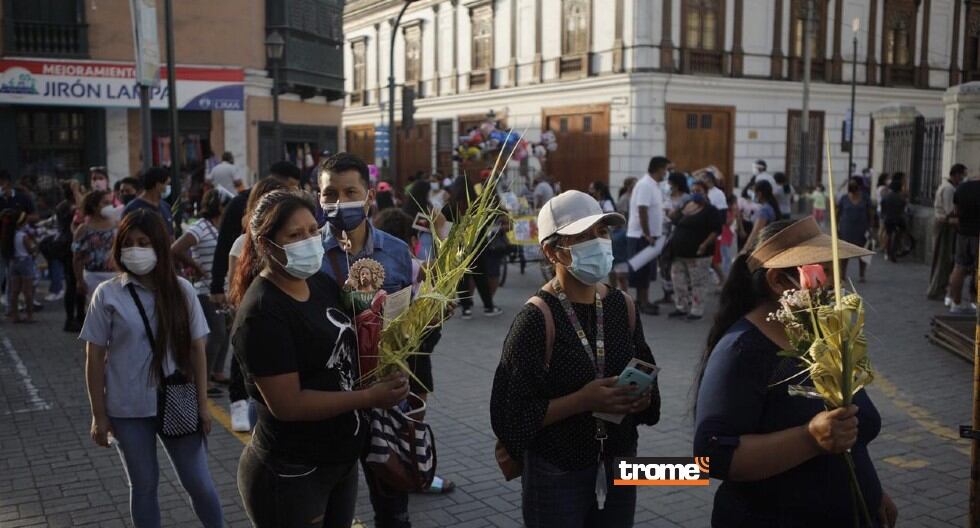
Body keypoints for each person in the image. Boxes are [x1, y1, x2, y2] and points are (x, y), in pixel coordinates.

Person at [694, 216, 896, 527]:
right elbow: (712, 456)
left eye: (838, 272)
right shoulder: (742, 350)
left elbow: (850, 434)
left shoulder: (821, 336)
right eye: (824, 272)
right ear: (778, 282)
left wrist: (872, 491)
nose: (837, 285)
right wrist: (810, 438)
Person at [229, 190, 408, 527]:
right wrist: (369, 397)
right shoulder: (262, 314)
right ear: (267, 245)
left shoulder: (319, 281)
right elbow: (289, 404)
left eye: (313, 230)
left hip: (339, 460)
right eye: (295, 235)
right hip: (293, 472)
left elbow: (352, 338)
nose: (310, 241)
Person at [490, 190, 660, 528]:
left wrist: (641, 399)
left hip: (620, 461)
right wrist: (583, 400)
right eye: (583, 236)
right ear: (552, 250)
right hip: (558, 470)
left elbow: (648, 382)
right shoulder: (536, 319)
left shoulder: (621, 305)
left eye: (602, 232)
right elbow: (512, 417)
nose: (599, 242)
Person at [81, 210, 223, 528]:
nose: (135, 249)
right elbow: (93, 358)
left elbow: (198, 350)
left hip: (178, 402)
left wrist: (204, 405)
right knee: (143, 487)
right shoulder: (107, 294)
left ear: (159, 245)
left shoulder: (182, 290)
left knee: (198, 483)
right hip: (127, 409)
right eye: (128, 243)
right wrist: (98, 415)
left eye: (144, 242)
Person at [317, 152, 418, 528]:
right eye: (330, 194)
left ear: (370, 195)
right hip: (331, 402)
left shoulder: (395, 252)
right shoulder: (308, 254)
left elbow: (411, 322)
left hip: (388, 399)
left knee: (393, 508)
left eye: (350, 192)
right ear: (319, 197)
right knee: (332, 510)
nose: (340, 202)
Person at [209, 162, 300, 431]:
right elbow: (233, 280)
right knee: (247, 365)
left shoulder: (289, 239)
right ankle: (240, 404)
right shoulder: (242, 241)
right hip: (252, 315)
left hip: (283, 317)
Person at [172, 190, 230, 393]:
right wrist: (195, 266)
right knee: (217, 333)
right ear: (219, 206)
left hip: (224, 289)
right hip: (205, 289)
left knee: (226, 333)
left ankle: (217, 372)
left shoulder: (222, 227)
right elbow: (175, 249)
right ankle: (202, 381)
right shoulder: (201, 227)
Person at [666, 182, 722, 320]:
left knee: (698, 282)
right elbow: (673, 219)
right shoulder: (686, 206)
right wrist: (680, 209)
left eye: (698, 190)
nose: (695, 193)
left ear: (705, 192)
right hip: (678, 253)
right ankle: (681, 306)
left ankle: (697, 310)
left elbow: (716, 230)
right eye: (693, 191)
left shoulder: (711, 210)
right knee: (678, 280)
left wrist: (704, 244)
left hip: (698, 254)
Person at [626, 156, 670, 316]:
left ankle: (643, 300)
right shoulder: (645, 185)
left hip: (649, 235)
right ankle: (642, 302)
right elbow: (642, 209)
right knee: (642, 270)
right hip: (642, 235)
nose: (666, 172)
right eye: (665, 169)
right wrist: (647, 233)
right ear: (658, 168)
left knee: (647, 270)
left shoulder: (654, 185)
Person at [73, 190, 118, 302]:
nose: (109, 206)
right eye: (105, 203)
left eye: (110, 203)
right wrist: (79, 280)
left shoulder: (118, 225)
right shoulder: (83, 229)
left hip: (116, 276)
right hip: (93, 277)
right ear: (94, 206)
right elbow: (77, 257)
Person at [930, 164, 967, 301]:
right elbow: (950, 210)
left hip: (943, 223)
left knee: (942, 259)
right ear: (956, 174)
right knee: (943, 259)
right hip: (944, 225)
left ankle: (938, 288)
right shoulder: (949, 189)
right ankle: (937, 289)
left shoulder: (947, 187)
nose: (963, 178)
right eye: (962, 175)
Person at [947, 169, 980, 314]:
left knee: (959, 267)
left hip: (963, 233)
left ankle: (956, 302)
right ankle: (976, 302)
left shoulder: (961, 188)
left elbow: (956, 210)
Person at [1, 211, 37, 323]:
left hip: (13, 263)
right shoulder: (23, 236)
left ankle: (14, 315)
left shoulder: (8, 235)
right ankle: (29, 315)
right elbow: (30, 250)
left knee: (14, 291)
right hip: (25, 262)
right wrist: (36, 247)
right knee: (28, 291)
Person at [836, 178, 873, 281]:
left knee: (863, 252)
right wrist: (836, 228)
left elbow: (870, 213)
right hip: (846, 230)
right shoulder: (844, 198)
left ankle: (862, 275)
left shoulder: (865, 198)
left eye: (854, 185)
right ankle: (842, 275)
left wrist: (871, 227)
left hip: (862, 230)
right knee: (844, 253)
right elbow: (837, 214)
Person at [124, 167, 174, 238]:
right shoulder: (133, 209)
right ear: (158, 185)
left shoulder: (166, 207)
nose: (168, 187)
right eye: (167, 184)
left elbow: (171, 235)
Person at [742, 180, 781, 255]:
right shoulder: (771, 206)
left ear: (759, 194)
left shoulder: (764, 210)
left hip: (762, 246)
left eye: (754, 193)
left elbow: (756, 231)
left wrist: (745, 249)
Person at [879, 177, 909, 263]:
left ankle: (887, 251)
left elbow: (882, 207)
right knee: (901, 232)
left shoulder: (886, 197)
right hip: (898, 219)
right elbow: (903, 209)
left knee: (888, 235)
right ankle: (896, 249)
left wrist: (884, 215)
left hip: (888, 219)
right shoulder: (901, 198)